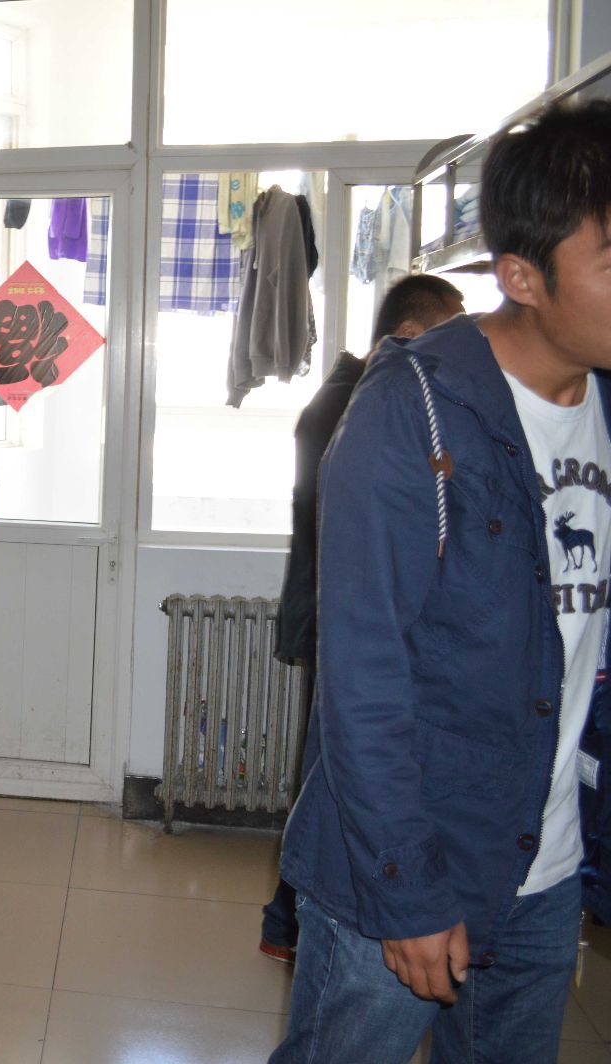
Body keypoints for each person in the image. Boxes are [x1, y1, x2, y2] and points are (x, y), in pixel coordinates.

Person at [270, 99, 611, 1063]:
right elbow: (363, 681)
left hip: (545, 868)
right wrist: (408, 892)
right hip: (408, 872)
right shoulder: (410, 416)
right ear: (522, 276)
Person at [259, 273, 466, 965]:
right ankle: (290, 920)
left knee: (325, 764)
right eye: (450, 334)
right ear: (411, 333)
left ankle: (284, 920)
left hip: (338, 610)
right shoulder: (363, 405)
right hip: (344, 616)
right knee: (331, 770)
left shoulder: (351, 395)